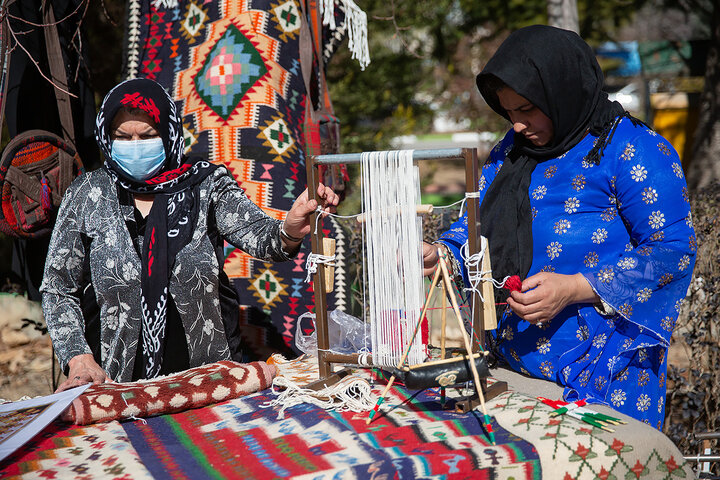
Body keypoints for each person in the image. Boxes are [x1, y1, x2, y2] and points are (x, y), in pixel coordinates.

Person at [422, 25, 696, 428]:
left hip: (606, 375)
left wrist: (575, 288)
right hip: (513, 371)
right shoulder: (512, 153)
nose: (516, 125)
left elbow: (673, 248)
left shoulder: (631, 148)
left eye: (527, 110)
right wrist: (443, 254)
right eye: (509, 112)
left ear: (562, 92)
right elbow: (477, 228)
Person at [41, 78, 338, 391]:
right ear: (106, 138)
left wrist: (291, 226)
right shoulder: (88, 194)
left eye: (148, 135)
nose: (136, 145)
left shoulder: (205, 185)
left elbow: (265, 239)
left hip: (210, 382)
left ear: (168, 134)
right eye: (123, 137)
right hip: (117, 387)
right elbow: (57, 286)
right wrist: (78, 357)